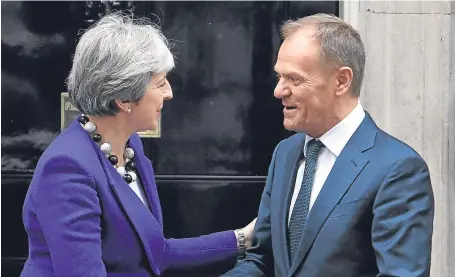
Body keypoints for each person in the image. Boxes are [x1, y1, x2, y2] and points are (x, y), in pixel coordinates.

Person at [20, 13, 256, 277]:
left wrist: (242, 239)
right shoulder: (67, 169)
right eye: (160, 83)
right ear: (124, 98)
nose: (169, 93)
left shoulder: (129, 145)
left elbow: (156, 253)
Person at [221, 13, 434, 277]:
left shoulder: (398, 169)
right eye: (279, 77)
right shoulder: (285, 154)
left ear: (341, 81)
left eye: (294, 79)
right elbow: (263, 259)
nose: (278, 91)